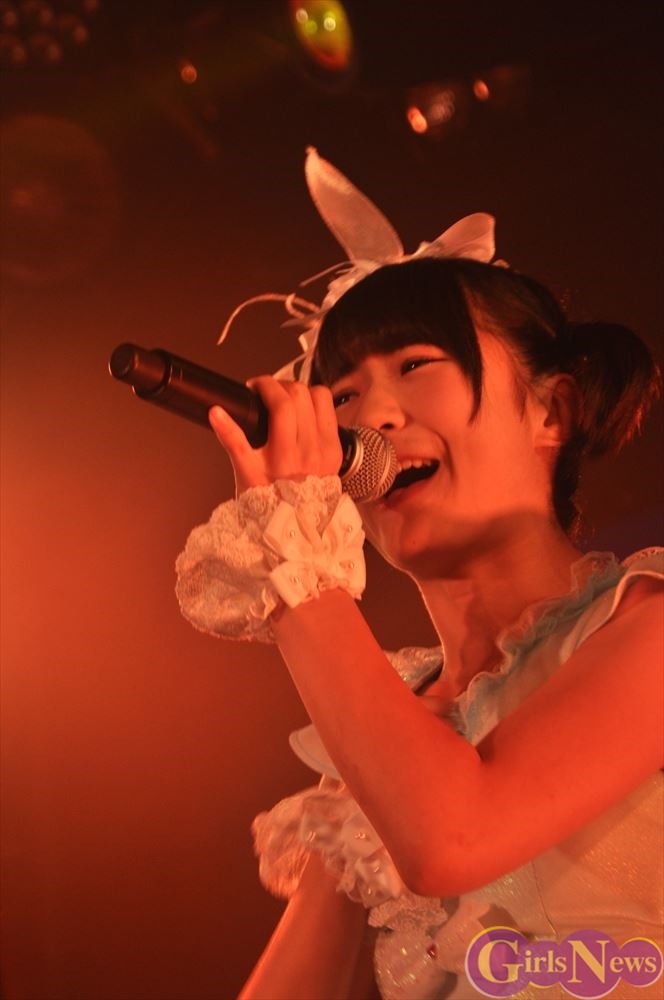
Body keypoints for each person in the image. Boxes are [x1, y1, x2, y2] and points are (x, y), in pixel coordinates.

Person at [175, 149, 663, 999]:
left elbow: (452, 841)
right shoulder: (383, 730)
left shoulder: (645, 628)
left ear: (552, 410)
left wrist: (292, 559)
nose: (371, 417)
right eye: (341, 394)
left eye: (414, 365)